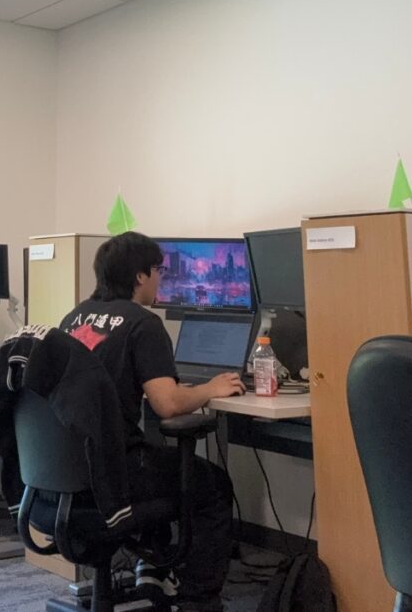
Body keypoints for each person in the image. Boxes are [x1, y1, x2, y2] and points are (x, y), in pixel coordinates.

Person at [59, 231, 245, 612]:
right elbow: (168, 404)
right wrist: (210, 387)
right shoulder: (143, 324)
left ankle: (152, 568)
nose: (162, 278)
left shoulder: (73, 316)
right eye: (159, 270)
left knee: (159, 457)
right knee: (211, 484)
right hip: (115, 470)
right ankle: (198, 601)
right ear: (141, 276)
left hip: (69, 467)